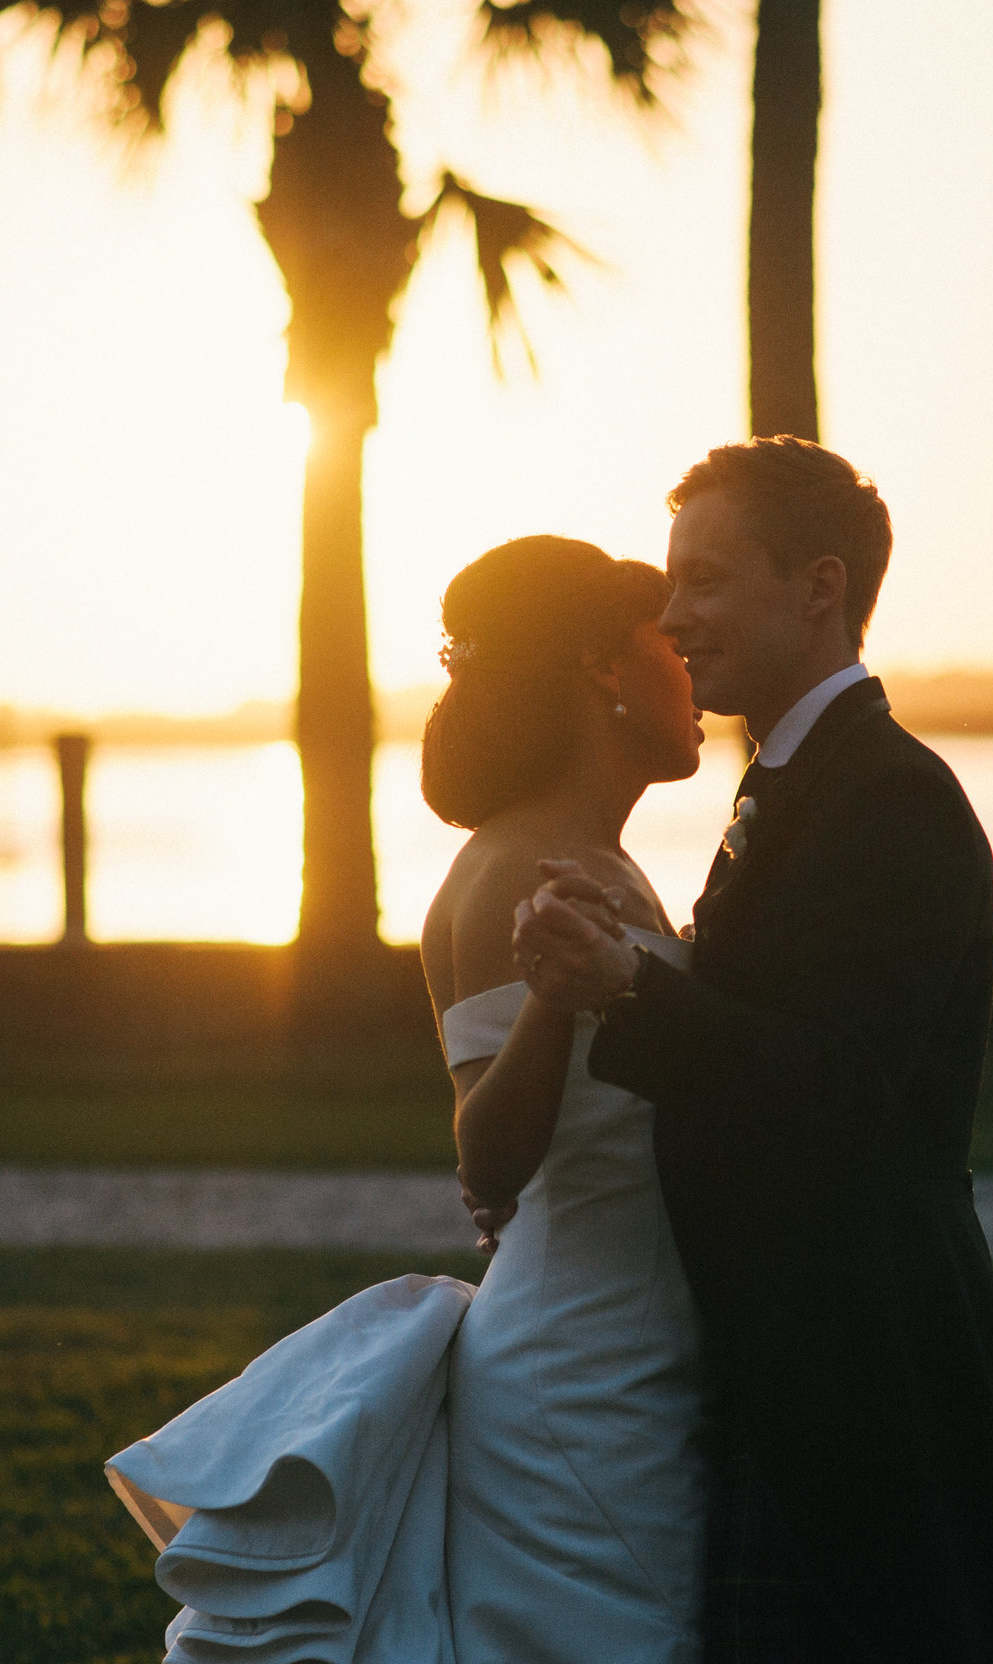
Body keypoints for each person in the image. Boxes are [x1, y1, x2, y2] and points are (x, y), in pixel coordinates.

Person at [101, 535, 713, 1664]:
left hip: (642, 1335)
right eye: (664, 638)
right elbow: (488, 1157)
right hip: (582, 1372)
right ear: (602, 666)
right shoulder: (507, 870)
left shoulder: (602, 858)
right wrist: (551, 999)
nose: (692, 664)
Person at [512, 439, 993, 1664]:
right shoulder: (790, 781)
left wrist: (627, 986)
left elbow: (844, 1088)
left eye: (703, 579)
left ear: (817, 587)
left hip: (869, 1363)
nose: (671, 614)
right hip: (800, 1352)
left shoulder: (892, 796)